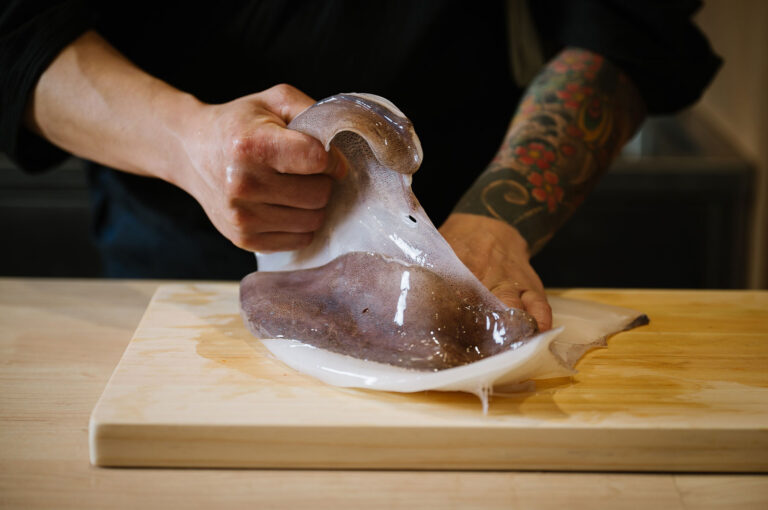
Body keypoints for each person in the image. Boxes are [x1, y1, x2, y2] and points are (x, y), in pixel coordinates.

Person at [0, 1, 720, 331]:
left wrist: (497, 223)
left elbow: (628, 21)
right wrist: (186, 141)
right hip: (171, 248)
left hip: (470, 245)